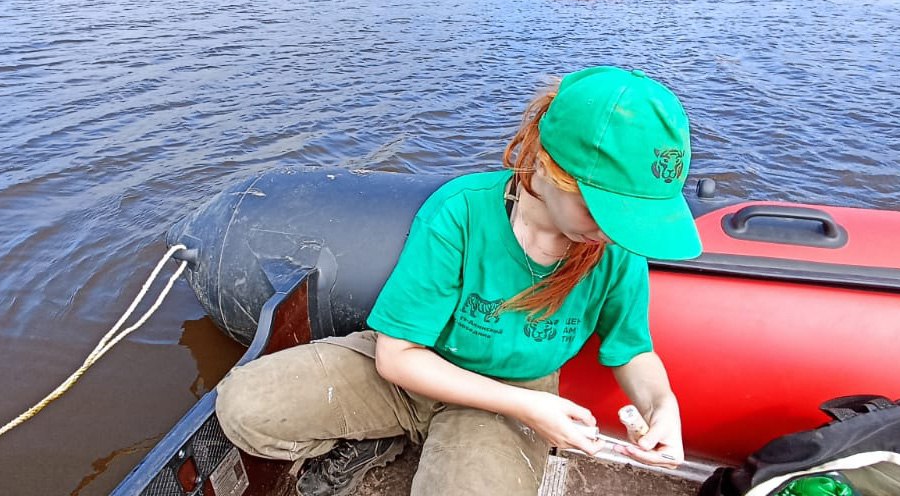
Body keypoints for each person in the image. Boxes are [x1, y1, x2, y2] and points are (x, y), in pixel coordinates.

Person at [215, 66, 703, 496]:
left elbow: (632, 350)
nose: (610, 231)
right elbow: (396, 355)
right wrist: (530, 407)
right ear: (552, 169)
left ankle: (428, 442)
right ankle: (388, 435)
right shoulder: (460, 213)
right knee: (244, 407)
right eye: (603, 210)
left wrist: (663, 406)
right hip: (413, 371)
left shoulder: (615, 248)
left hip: (513, 393)